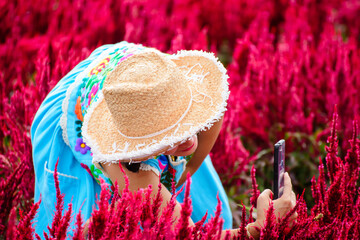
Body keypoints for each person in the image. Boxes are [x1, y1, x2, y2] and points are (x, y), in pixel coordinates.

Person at [31, 41, 297, 238]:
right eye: (167, 135)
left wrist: (178, 178)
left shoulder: (198, 98)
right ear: (142, 148)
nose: (185, 140)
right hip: (83, 110)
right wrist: (260, 229)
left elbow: (190, 163)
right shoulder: (128, 164)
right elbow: (188, 235)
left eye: (186, 123)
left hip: (124, 68)